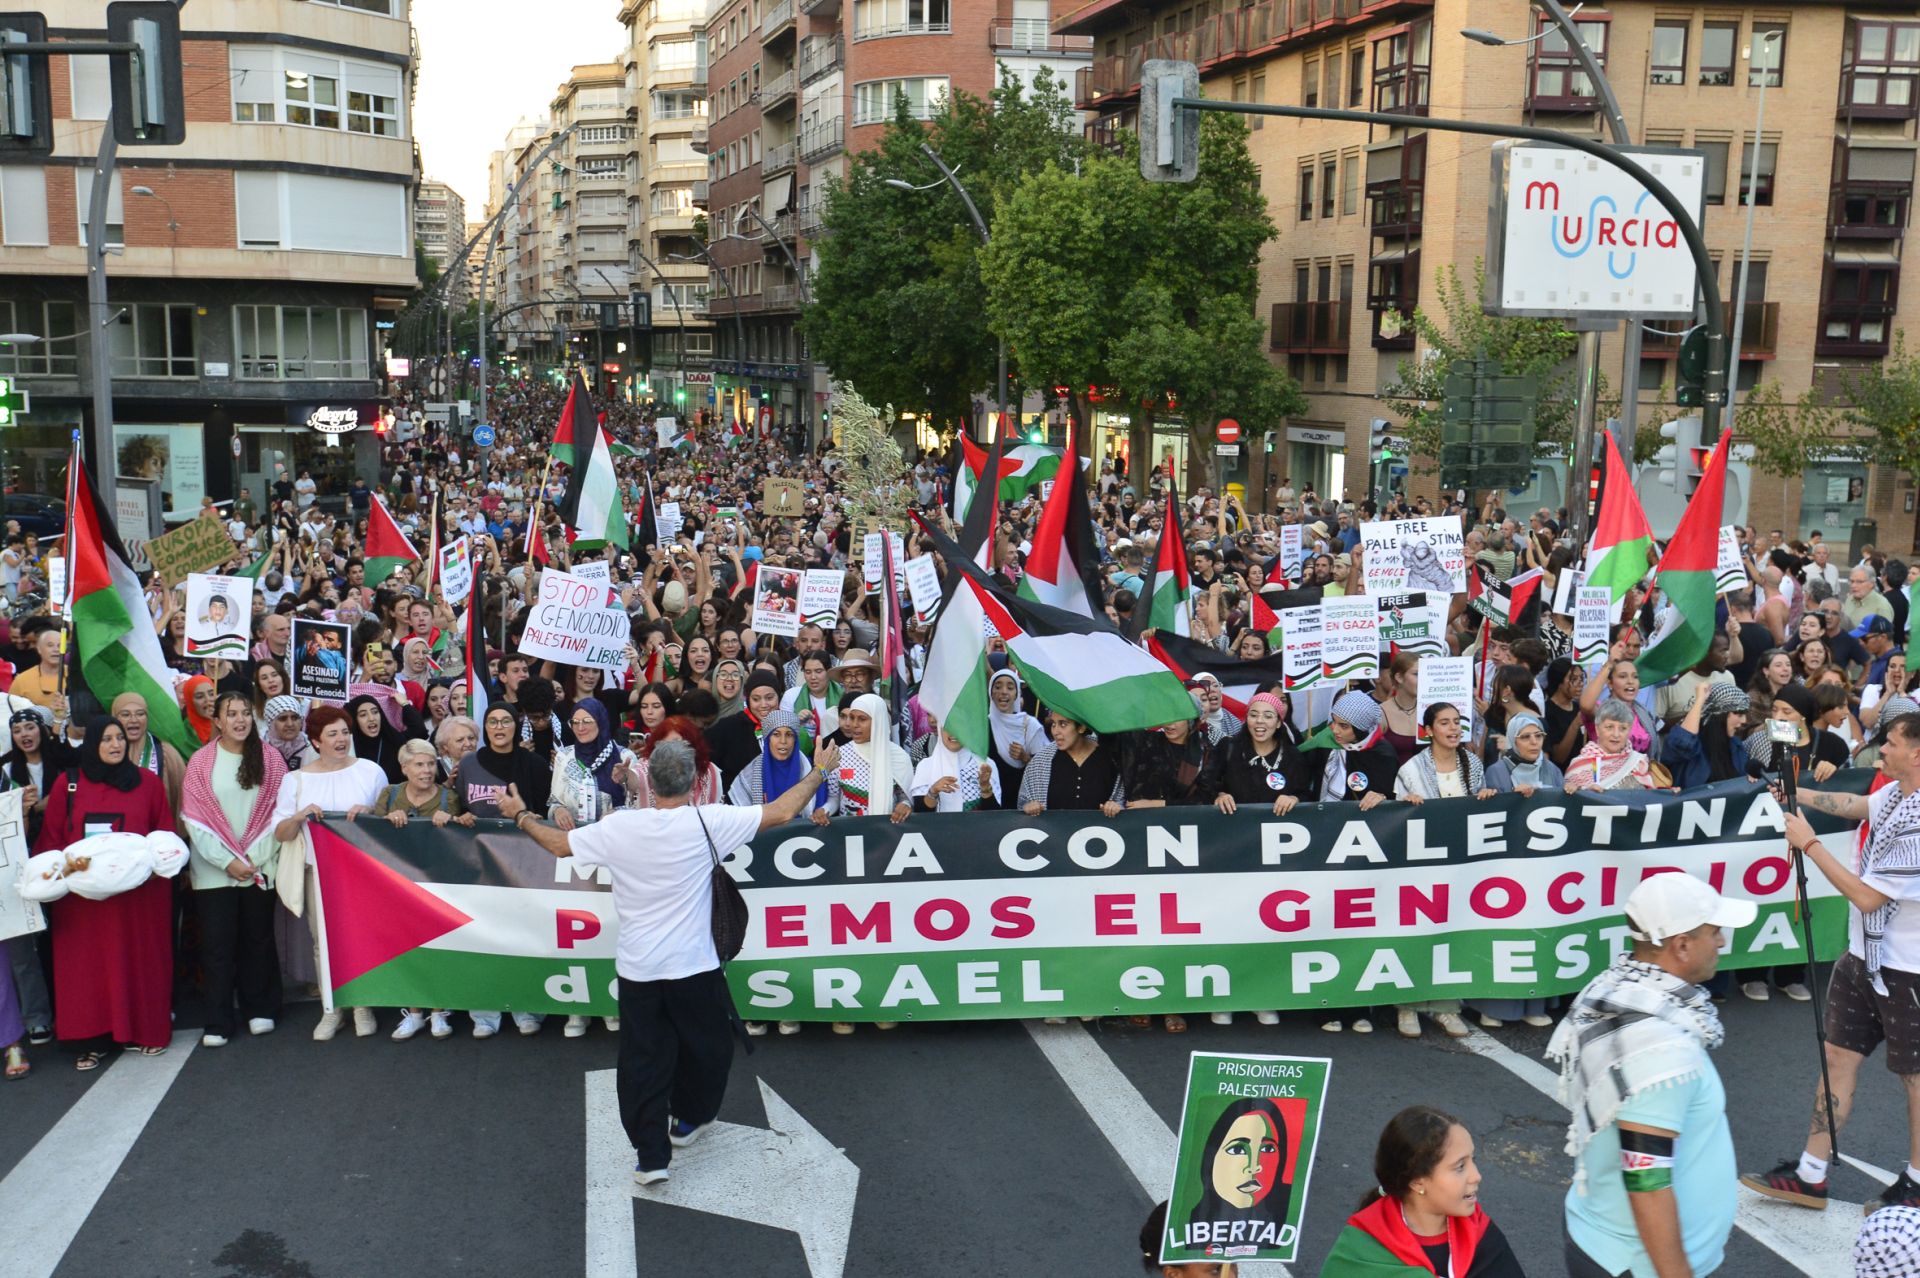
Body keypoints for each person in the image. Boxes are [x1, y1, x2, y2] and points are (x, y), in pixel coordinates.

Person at [505, 737, 844, 1187]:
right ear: (696, 781)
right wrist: (819, 771)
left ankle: (651, 1156)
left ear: (648, 779)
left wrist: (520, 815)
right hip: (695, 967)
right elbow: (782, 811)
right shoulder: (711, 820)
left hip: (638, 970)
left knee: (643, 1061)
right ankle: (690, 1119)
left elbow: (560, 845)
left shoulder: (619, 827)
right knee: (710, 1050)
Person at [1742, 712, 1920, 1216]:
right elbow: (1857, 804)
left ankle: (1917, 1180)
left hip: (1909, 968)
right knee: (1837, 1057)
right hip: (1861, 956)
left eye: (1890, 744)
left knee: (1915, 1077)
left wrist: (1809, 842)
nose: (1880, 751)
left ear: (1917, 753)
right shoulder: (1896, 792)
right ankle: (1810, 1174)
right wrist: (1795, 793)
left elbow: (1866, 896)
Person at [1553, 873, 1751, 1278]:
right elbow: (1647, 1182)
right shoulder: (1658, 1049)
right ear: (1681, 945)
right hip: (1637, 1264)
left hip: (1607, 1241)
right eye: (1714, 932)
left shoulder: (1620, 987)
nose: (1721, 942)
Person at [37, 717, 177, 1068]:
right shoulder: (66, 785)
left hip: (137, 899)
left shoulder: (148, 783)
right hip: (83, 904)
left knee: (139, 962)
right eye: (106, 739)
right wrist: (65, 871)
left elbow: (165, 833)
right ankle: (90, 1038)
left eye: (119, 739)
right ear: (92, 744)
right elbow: (51, 841)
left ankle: (144, 1030)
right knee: (87, 970)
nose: (115, 745)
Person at [270, 704, 390, 1042]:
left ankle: (362, 1004)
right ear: (315, 741)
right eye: (332, 734)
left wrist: (369, 812)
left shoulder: (371, 771)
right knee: (323, 942)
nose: (341, 739)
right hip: (318, 873)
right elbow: (280, 832)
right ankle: (331, 1008)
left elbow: (388, 821)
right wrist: (300, 816)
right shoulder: (295, 780)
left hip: (364, 873)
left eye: (345, 732)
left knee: (363, 937)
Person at [181, 692, 288, 1049]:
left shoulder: (271, 760)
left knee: (257, 940)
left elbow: (280, 816)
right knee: (217, 946)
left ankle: (260, 1008)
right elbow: (194, 821)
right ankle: (218, 1019)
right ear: (218, 721)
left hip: (260, 866)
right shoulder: (199, 763)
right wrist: (228, 861)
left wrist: (252, 860)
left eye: (245, 713)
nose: (240, 720)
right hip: (214, 872)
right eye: (232, 714)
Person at [1320, 1106, 1525, 1276]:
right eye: (1460, 1166)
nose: (1476, 1176)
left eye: (1473, 1160)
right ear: (1418, 1182)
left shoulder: (1479, 1234)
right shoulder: (1361, 1248)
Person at [456, 704, 553, 1040]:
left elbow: (546, 812)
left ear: (516, 726)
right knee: (483, 938)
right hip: (479, 865)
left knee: (525, 936)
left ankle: (529, 1008)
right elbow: (457, 807)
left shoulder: (536, 765)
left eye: (506, 721)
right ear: (485, 727)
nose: (499, 727)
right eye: (492, 721)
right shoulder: (468, 764)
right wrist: (461, 816)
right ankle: (485, 1014)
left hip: (525, 864)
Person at [375, 738, 473, 1042]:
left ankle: (439, 1010)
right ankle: (415, 1012)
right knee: (406, 948)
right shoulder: (389, 795)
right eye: (419, 764)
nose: (427, 770)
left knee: (438, 948)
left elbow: (462, 840)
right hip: (398, 886)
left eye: (431, 764)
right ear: (404, 768)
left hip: (438, 885)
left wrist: (453, 820)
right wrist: (387, 820)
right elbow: (369, 832)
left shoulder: (448, 797)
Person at [1565, 700, 1655, 792]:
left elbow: (1653, 798)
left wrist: (1668, 794)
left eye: (1623, 728)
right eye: (1609, 727)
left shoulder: (1639, 762)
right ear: (1597, 729)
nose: (1616, 734)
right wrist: (1584, 791)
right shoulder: (1580, 765)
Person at [986, 668, 1048, 799]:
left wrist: (1025, 757)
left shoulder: (1030, 725)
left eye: (1010, 688)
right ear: (991, 693)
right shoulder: (983, 725)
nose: (1003, 692)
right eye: (997, 687)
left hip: (1025, 803)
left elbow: (1045, 770)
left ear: (1016, 694)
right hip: (991, 802)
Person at [1480, 712, 1565, 798]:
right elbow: (1495, 808)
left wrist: (1570, 792)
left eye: (1538, 735)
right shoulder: (1497, 772)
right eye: (1525, 737)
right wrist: (1514, 796)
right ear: (1513, 741)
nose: (1534, 742)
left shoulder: (1552, 769)